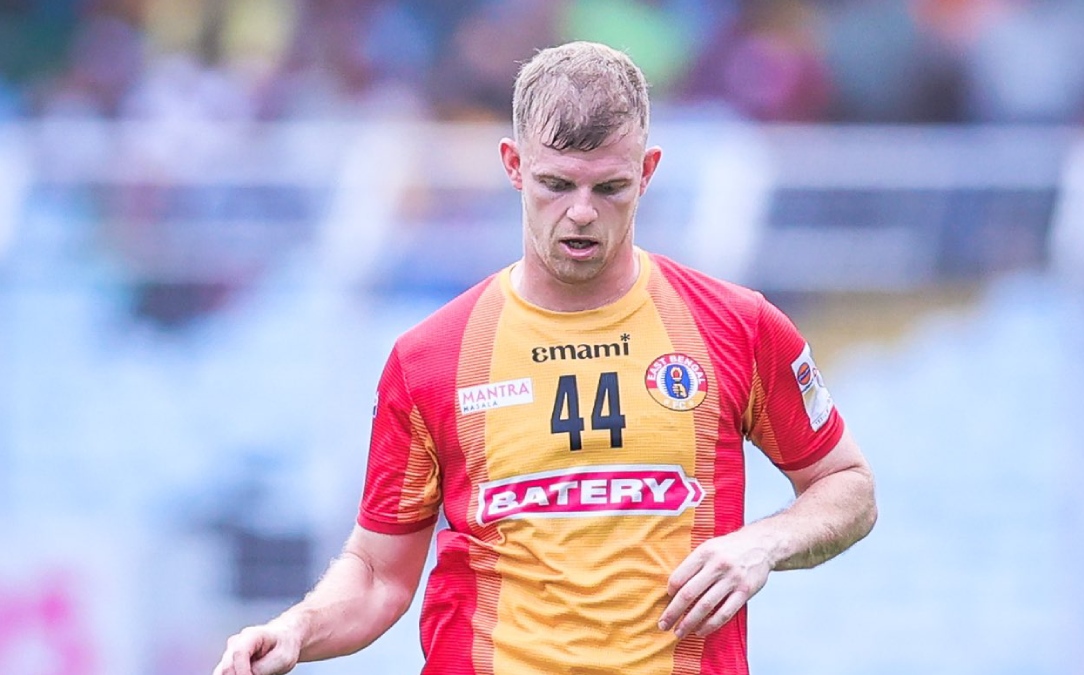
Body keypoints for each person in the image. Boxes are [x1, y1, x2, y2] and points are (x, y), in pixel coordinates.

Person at [212, 40, 877, 675]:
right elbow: (379, 574)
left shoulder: (737, 326)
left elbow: (848, 486)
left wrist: (762, 543)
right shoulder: (431, 358)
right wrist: (296, 628)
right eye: (556, 184)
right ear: (512, 165)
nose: (581, 213)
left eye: (610, 188)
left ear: (648, 172)